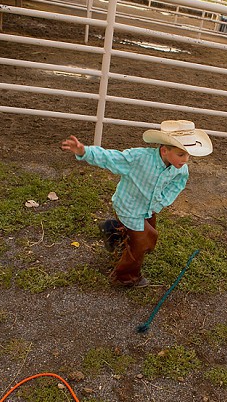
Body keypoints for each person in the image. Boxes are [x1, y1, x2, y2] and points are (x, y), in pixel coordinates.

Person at [61, 120, 212, 288]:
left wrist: (161, 201)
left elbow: (178, 183)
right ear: (164, 150)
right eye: (181, 154)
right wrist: (85, 151)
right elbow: (111, 157)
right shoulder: (138, 158)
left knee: (144, 231)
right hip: (129, 206)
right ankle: (126, 277)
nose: (185, 160)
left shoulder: (180, 168)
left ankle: (111, 229)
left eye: (187, 155)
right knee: (144, 241)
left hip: (149, 207)